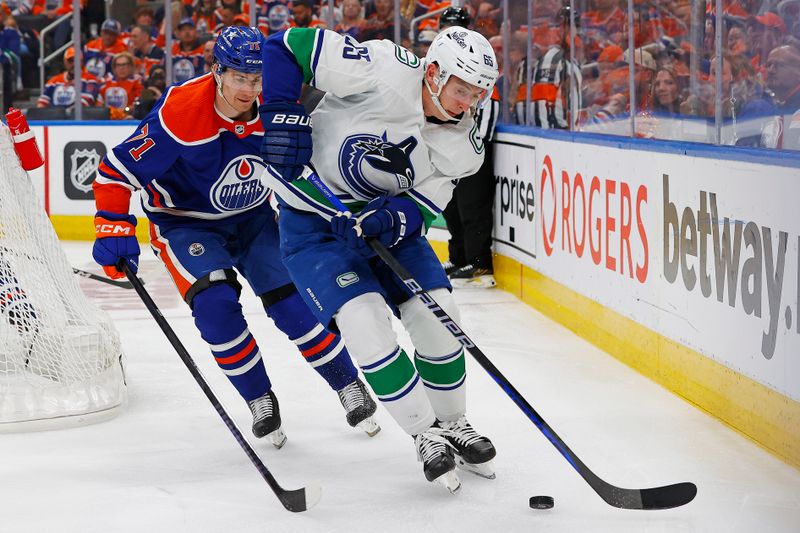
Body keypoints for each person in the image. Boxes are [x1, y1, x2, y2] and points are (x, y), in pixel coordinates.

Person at [91, 26, 380, 448]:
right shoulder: (181, 112)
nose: (250, 89)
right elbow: (114, 172)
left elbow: (302, 169)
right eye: (240, 77)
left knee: (295, 304)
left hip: (254, 217)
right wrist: (113, 226)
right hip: (183, 222)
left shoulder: (279, 103)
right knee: (215, 303)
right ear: (217, 72)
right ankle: (260, 398)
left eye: (258, 77)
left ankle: (347, 384)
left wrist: (335, 213)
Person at [258, 25, 499, 492]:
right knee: (363, 319)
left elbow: (425, 204)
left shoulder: (465, 142)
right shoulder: (383, 67)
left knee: (441, 314)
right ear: (433, 73)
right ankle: (424, 433)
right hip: (313, 224)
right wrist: (282, 113)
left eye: (478, 93)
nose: (467, 102)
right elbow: (284, 47)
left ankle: (453, 424)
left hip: (388, 230)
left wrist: (392, 219)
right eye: (461, 88)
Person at [438, 6, 500, 288]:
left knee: (473, 208)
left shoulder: (478, 63)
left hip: (474, 152)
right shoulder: (440, 63)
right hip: (449, 150)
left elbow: (489, 105)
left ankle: (479, 263)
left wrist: (472, 143)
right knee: (452, 207)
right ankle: (460, 257)